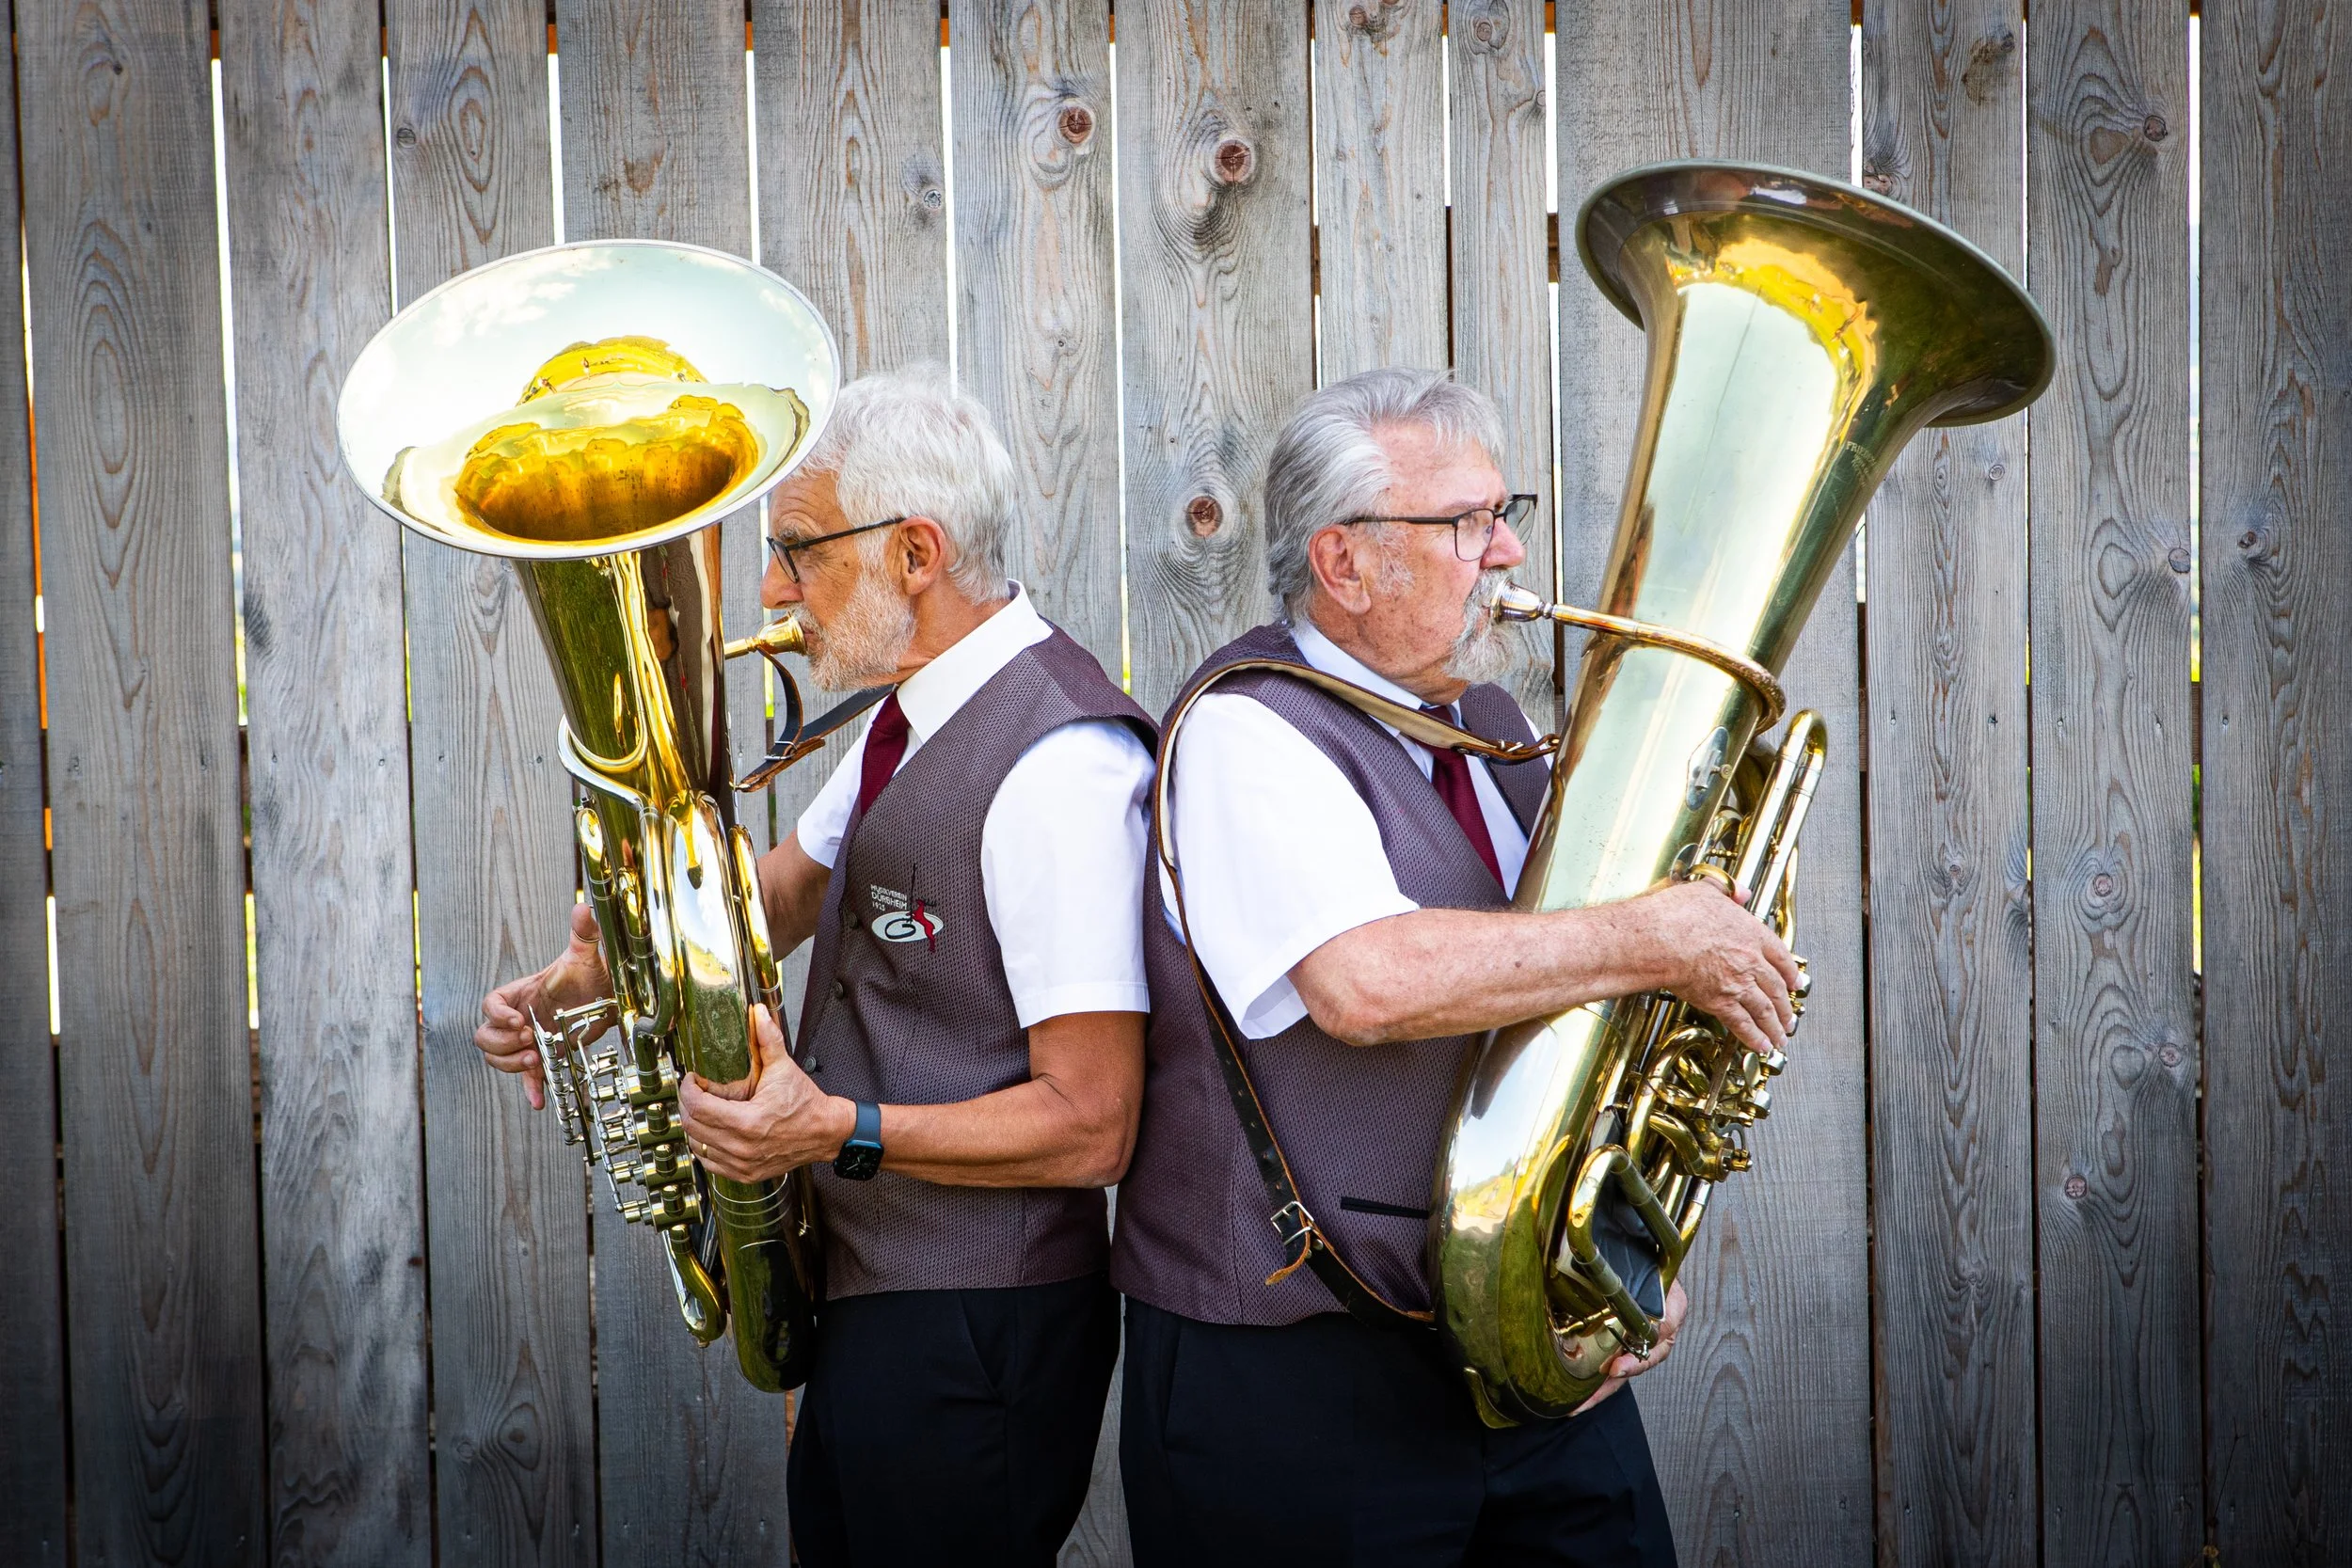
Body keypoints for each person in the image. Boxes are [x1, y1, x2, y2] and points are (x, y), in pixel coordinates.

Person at [1110, 369, 1802, 1566]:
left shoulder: (1491, 725)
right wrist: (1654, 935)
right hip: (1297, 1377)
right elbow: (1365, 980)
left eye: (1501, 509)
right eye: (1465, 523)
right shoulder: (1242, 729)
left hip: (1528, 1345)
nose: (1509, 548)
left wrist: (1622, 1261)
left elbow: (1577, 1039)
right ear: (1343, 563)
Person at [472, 366, 1155, 1568]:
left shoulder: (1061, 764)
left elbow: (1092, 1125)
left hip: (975, 1318)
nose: (775, 590)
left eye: (797, 550)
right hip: (877, 1292)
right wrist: (592, 975)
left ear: (914, 551)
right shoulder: (913, 713)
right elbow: (778, 895)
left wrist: (831, 1125)